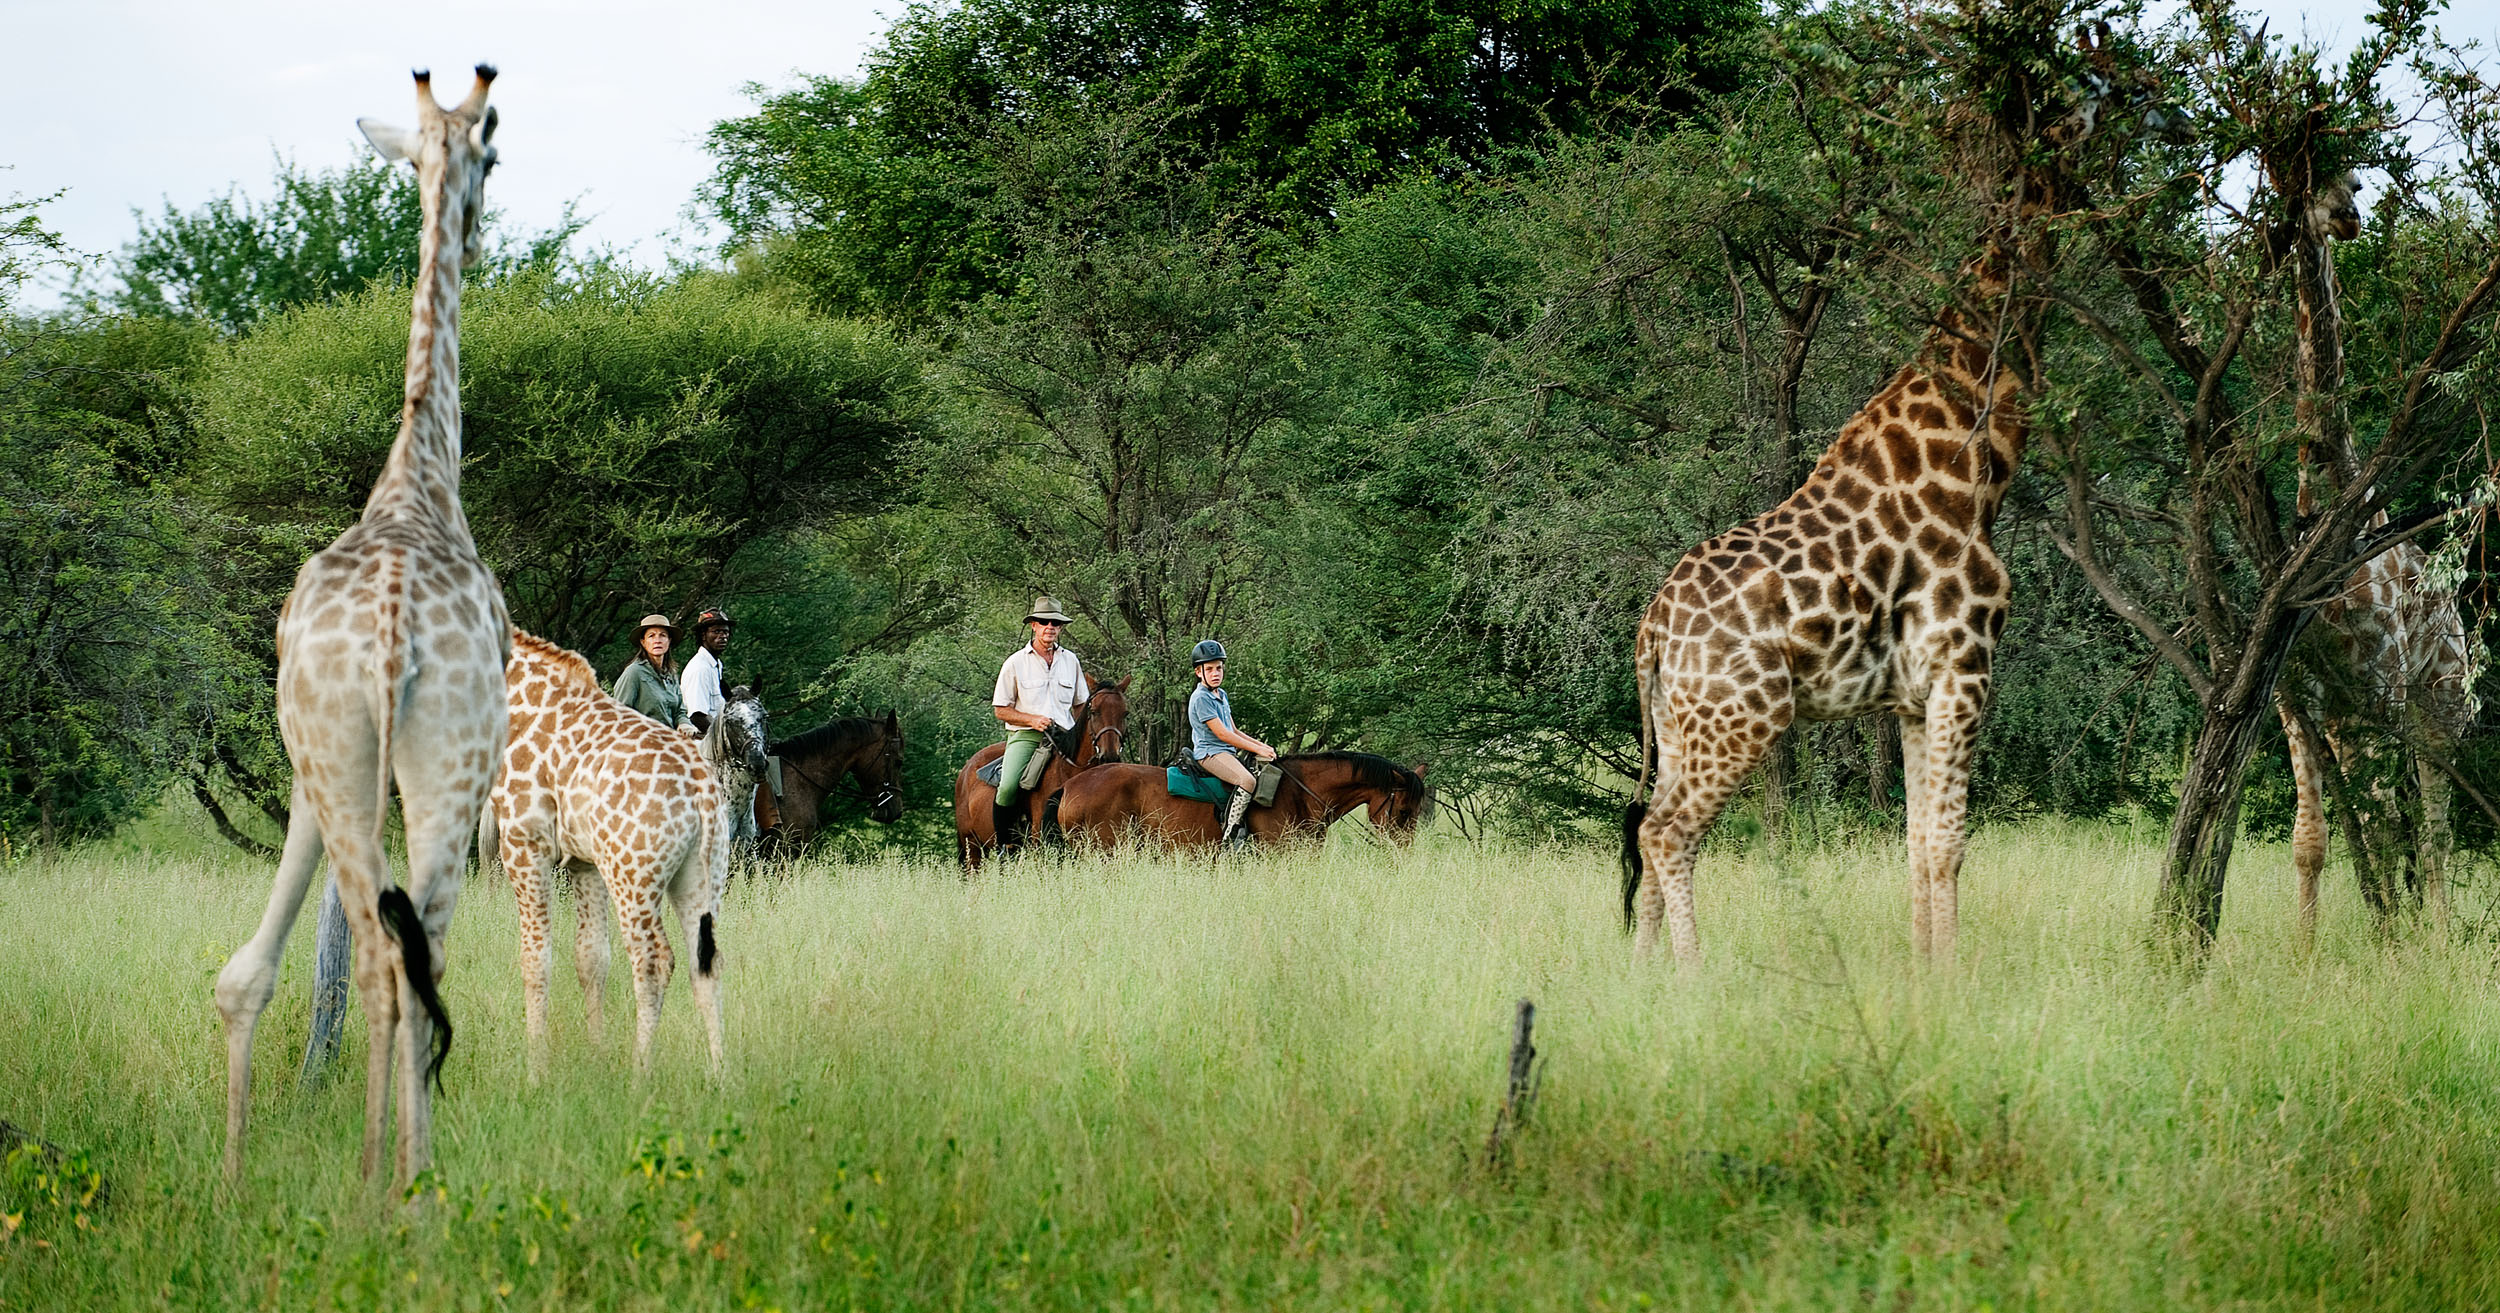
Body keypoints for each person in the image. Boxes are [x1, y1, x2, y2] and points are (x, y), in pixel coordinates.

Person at [990, 595, 1089, 852]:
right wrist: (1032, 720)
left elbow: (1081, 704)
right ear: (1033, 625)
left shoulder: (1071, 661)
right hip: (1028, 735)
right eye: (1044, 622)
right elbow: (1001, 709)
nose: (1050, 627)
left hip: (1065, 737)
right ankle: (1005, 843)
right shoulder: (1015, 662)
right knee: (1009, 785)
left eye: (1055, 622)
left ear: (1061, 627)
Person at [1186, 639, 1277, 846]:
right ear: (1199, 672)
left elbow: (1233, 730)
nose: (1215, 673)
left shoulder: (1221, 694)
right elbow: (1223, 735)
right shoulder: (1201, 698)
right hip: (1210, 754)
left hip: (1226, 752)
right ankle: (1231, 835)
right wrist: (1256, 748)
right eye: (1209, 669)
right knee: (1247, 781)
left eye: (1219, 668)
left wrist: (1262, 747)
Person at [613, 613, 692, 732]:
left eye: (662, 635)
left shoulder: (671, 674)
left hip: (670, 743)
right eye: (651, 636)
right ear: (643, 642)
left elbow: (679, 712)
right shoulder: (634, 673)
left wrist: (685, 724)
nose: (657, 640)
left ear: (669, 641)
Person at [683, 607, 732, 734]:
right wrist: (722, 742)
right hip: (699, 743)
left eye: (725, 632)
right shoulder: (700, 668)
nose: (723, 637)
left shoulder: (715, 665)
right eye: (716, 631)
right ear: (703, 635)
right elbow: (697, 717)